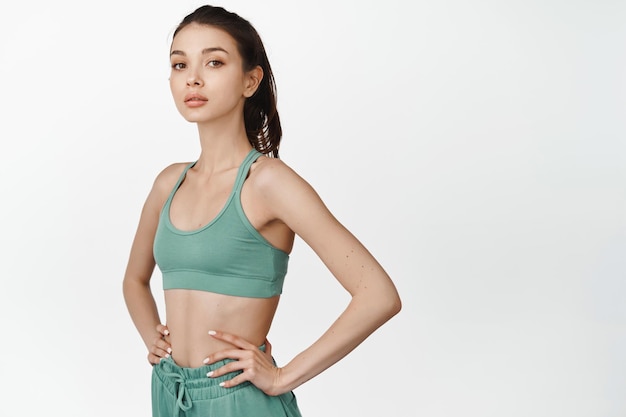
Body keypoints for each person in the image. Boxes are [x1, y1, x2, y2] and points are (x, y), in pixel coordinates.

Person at [122, 4, 402, 417]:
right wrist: (153, 339)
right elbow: (134, 279)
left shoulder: (269, 183)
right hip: (168, 390)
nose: (193, 78)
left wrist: (281, 377)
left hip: (237, 400)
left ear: (250, 80)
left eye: (214, 62)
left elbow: (378, 295)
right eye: (180, 64)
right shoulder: (169, 182)